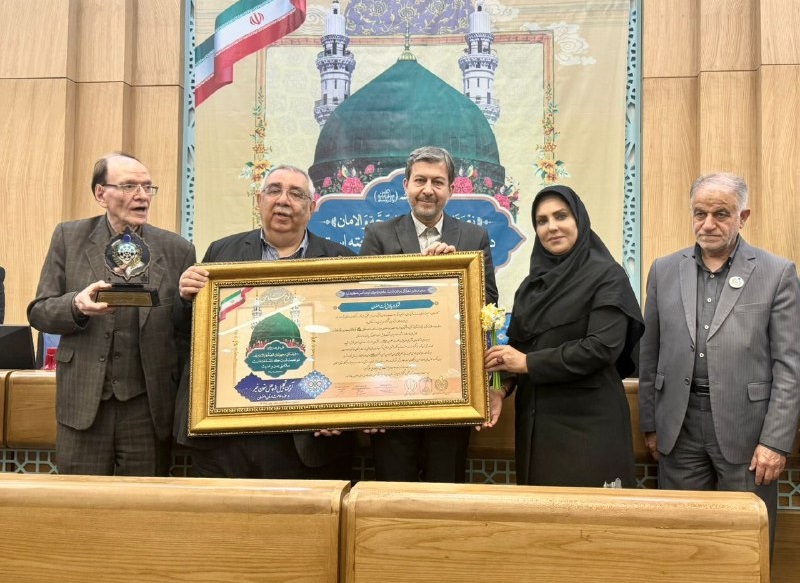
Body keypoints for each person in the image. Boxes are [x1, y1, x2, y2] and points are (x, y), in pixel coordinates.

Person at [638, 172, 800, 554]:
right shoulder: (664, 270)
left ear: (743, 217)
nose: (708, 224)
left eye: (721, 214)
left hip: (748, 434)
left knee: (744, 546)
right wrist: (651, 424)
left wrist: (775, 442)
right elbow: (649, 353)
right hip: (678, 428)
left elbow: (790, 366)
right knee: (681, 541)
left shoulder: (777, 273)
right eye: (700, 213)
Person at [174, 164, 356, 480]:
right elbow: (193, 333)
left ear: (312, 207)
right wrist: (186, 298)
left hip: (306, 436)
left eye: (296, 194)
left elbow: (350, 345)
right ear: (259, 200)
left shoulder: (340, 260)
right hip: (229, 434)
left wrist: (339, 406)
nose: (283, 200)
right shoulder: (222, 252)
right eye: (274, 190)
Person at [27, 152, 196, 475]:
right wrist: (76, 306)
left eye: (148, 187)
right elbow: (40, 312)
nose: (142, 196)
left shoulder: (177, 249)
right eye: (130, 186)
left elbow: (185, 329)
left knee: (143, 501)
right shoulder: (69, 238)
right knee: (80, 500)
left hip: (147, 406)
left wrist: (187, 302)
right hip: (84, 403)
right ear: (101, 193)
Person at [485, 185, 644, 487]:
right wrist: (501, 389)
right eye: (542, 221)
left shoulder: (607, 276)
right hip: (536, 429)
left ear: (579, 220)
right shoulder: (530, 288)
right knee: (541, 515)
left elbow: (601, 348)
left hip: (589, 429)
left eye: (561, 216)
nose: (552, 227)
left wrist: (528, 363)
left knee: (589, 515)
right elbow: (519, 351)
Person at [360, 146, 499, 483]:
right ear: (406, 185)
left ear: (451, 189)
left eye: (438, 182)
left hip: (452, 387)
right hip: (392, 387)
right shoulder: (378, 235)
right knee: (393, 489)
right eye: (420, 180)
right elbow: (364, 306)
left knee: (445, 488)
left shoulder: (473, 237)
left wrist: (453, 277)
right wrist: (428, 277)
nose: (428, 190)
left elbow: (488, 303)